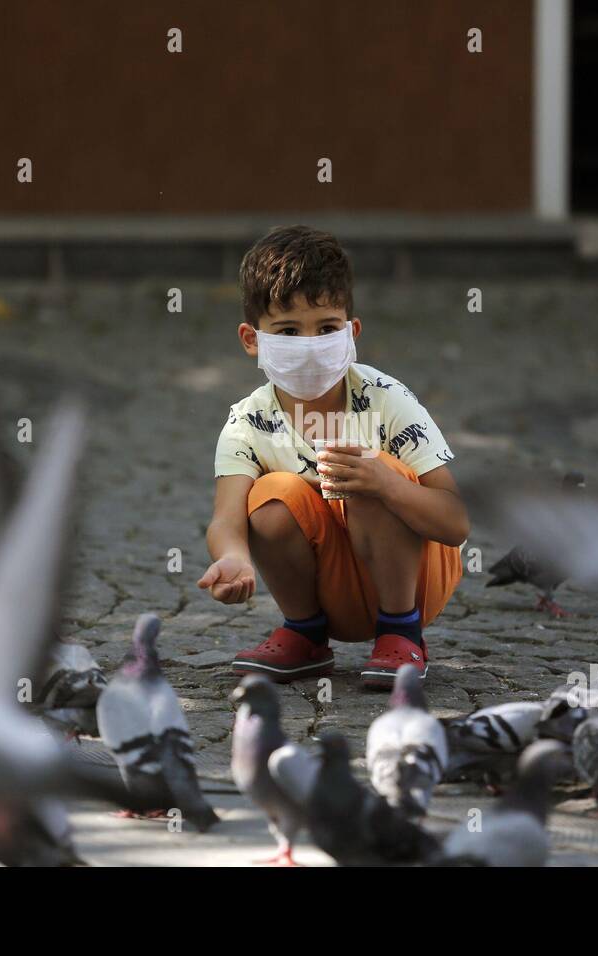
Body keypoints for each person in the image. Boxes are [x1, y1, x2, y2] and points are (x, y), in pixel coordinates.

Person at [197, 225, 468, 688]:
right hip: (332, 589)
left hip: (418, 581)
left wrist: (387, 483)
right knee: (270, 494)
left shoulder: (386, 398)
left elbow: (456, 522)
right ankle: (305, 634)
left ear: (351, 331)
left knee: (367, 470)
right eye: (288, 330)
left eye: (326, 328)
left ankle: (401, 633)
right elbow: (227, 518)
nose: (309, 344)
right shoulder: (247, 422)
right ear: (251, 339)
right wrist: (233, 558)